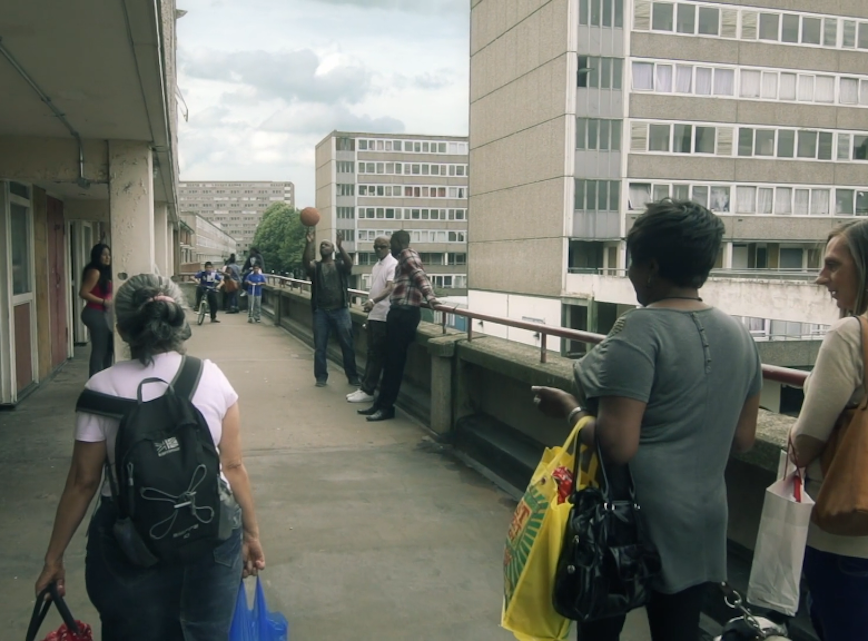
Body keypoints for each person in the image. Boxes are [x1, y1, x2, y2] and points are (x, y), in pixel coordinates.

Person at [532, 199, 762, 641]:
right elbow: (745, 439)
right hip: (703, 519)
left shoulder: (638, 330)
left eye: (633, 264)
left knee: (599, 629)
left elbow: (618, 445)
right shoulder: (741, 335)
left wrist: (568, 409)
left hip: (629, 526)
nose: (631, 274)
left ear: (652, 267)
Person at [35, 274, 265, 640]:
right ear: (177, 321)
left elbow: (84, 482)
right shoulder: (211, 376)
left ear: (123, 330)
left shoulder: (101, 388)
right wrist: (251, 534)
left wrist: (53, 559)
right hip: (210, 527)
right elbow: (233, 467)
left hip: (129, 539)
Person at [790, 220, 868, 641]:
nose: (823, 279)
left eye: (834, 266)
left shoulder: (851, 334)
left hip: (847, 540)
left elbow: (805, 445)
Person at [358, 230, 440, 422]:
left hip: (405, 314)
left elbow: (420, 276)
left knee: (394, 363)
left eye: (389, 244)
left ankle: (386, 408)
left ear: (396, 243)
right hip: (398, 313)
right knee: (389, 361)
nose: (387, 248)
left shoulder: (406, 255)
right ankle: (380, 404)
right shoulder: (403, 258)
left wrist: (431, 298)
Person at [303, 231, 360, 388]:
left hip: (340, 310)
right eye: (321, 245)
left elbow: (350, 264)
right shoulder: (316, 266)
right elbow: (306, 263)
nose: (323, 246)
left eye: (327, 244)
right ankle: (321, 377)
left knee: (347, 345)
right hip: (321, 311)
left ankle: (353, 376)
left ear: (332, 249)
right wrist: (309, 243)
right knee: (320, 346)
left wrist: (341, 247)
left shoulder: (340, 265)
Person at [347, 236, 398, 404]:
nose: (378, 250)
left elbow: (390, 288)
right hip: (374, 315)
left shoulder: (393, 265)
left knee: (376, 355)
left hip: (384, 315)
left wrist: (373, 301)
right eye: (376, 247)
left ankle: (368, 390)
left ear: (389, 247)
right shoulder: (377, 266)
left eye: (382, 247)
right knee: (371, 353)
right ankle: (365, 388)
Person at [79, 243, 114, 376]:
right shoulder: (95, 272)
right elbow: (83, 292)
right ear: (97, 256)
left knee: (108, 348)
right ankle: (94, 381)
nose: (107, 257)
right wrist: (104, 301)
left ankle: (105, 377)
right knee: (100, 349)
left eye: (109, 254)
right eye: (104, 255)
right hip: (95, 313)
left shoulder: (105, 271)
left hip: (104, 313)